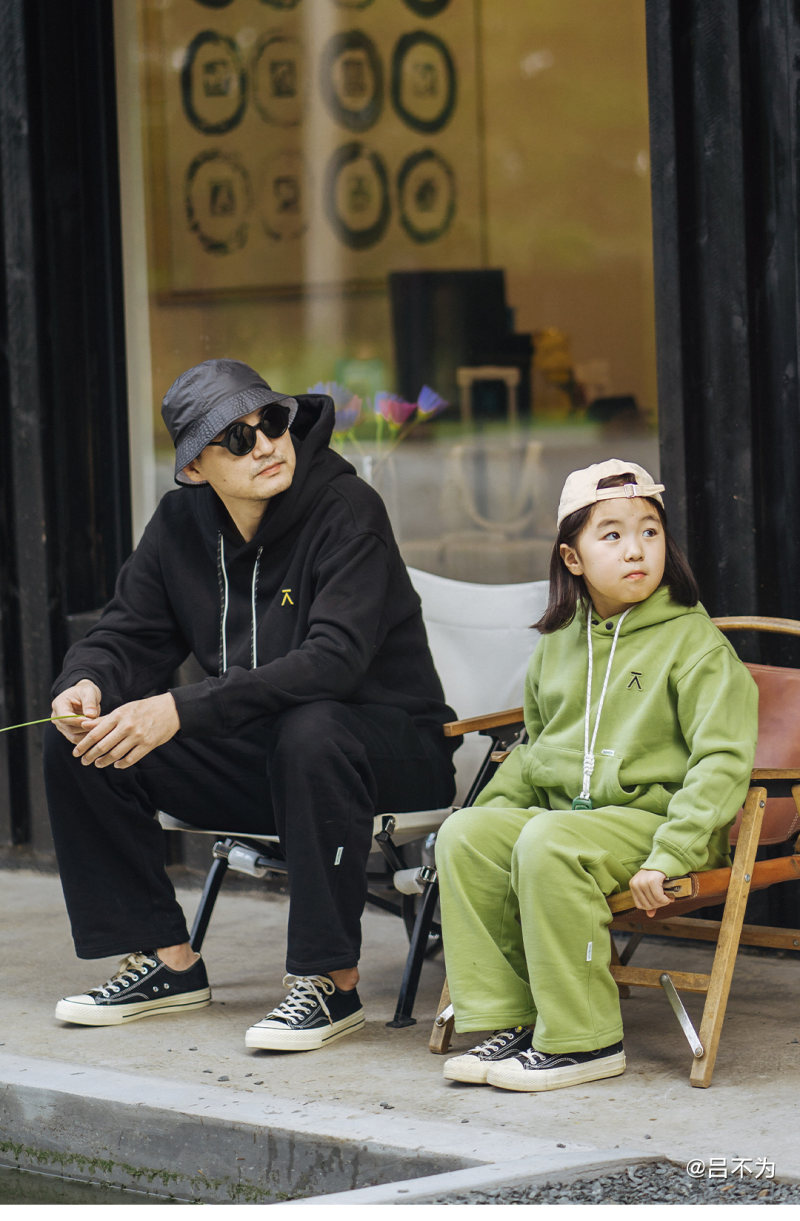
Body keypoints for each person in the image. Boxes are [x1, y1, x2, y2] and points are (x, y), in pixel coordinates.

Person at [44, 358, 457, 1052]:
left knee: (311, 727)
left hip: (390, 752)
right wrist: (84, 681)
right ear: (194, 467)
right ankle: (165, 960)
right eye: (237, 438)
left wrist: (179, 708)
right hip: (269, 760)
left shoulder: (347, 510)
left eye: (272, 422)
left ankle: (331, 981)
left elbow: (333, 662)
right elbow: (127, 634)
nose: (265, 444)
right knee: (83, 741)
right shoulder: (180, 525)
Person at [435, 458, 758, 1091]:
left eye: (650, 532)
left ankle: (586, 1042)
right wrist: (487, 819)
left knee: (547, 841)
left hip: (658, 827)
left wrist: (673, 853)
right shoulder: (559, 643)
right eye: (612, 534)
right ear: (573, 558)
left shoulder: (694, 645)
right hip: (571, 823)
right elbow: (537, 751)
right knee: (465, 835)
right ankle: (516, 1020)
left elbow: (722, 762)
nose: (636, 549)